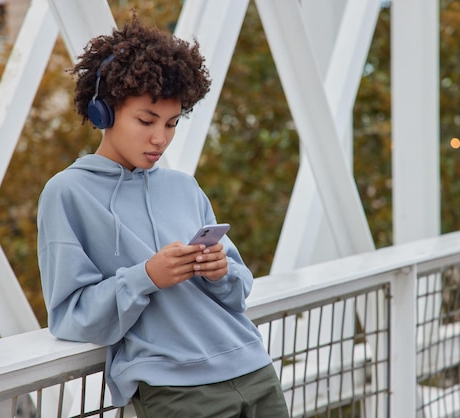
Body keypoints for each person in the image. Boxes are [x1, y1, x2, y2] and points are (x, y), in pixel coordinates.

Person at [37, 12, 289, 418]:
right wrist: (146, 276)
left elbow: (240, 290)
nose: (161, 138)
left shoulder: (183, 187)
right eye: (146, 120)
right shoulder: (67, 193)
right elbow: (70, 316)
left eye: (171, 123)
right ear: (104, 112)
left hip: (254, 368)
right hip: (175, 390)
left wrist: (220, 271)